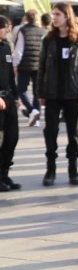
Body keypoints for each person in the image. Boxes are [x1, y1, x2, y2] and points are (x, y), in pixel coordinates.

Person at [36, 3, 78, 187]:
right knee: (50, 132)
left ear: (66, 16)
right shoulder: (48, 39)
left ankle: (73, 170)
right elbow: (41, 67)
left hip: (72, 94)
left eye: (57, 14)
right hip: (52, 94)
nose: (54, 17)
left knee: (73, 134)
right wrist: (40, 91)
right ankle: (50, 170)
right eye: (53, 14)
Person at [13, 9, 45, 127]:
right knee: (37, 92)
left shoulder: (23, 30)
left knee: (21, 90)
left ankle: (32, 110)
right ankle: (36, 118)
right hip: (39, 65)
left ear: (26, 18)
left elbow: (19, 50)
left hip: (24, 65)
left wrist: (15, 64)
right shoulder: (43, 31)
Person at [0, 17, 20, 191]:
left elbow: (10, 74)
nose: (7, 30)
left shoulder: (6, 47)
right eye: (4, 28)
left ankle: (5, 174)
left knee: (12, 138)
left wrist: (15, 96)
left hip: (8, 98)